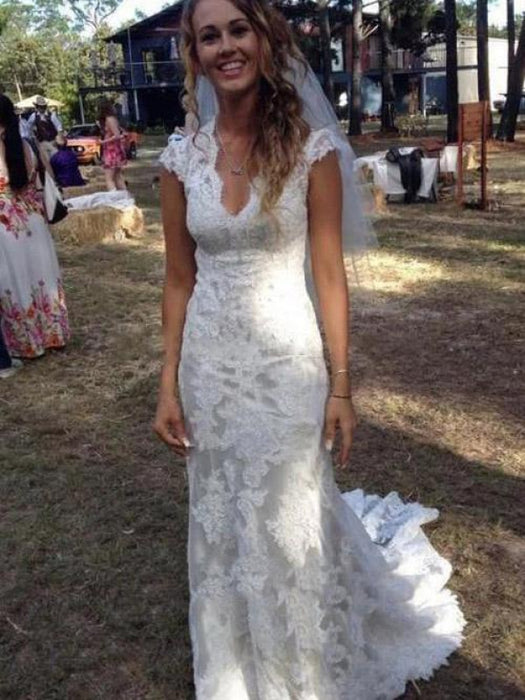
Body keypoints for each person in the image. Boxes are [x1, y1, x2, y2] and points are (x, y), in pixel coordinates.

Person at [154, 1, 465, 698]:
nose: (226, 47)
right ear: (195, 54)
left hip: (286, 365)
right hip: (210, 368)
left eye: (239, 30)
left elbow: (328, 274)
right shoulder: (179, 160)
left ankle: (303, 666)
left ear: (263, 40)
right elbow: (177, 278)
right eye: (210, 36)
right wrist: (168, 381)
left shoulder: (312, 151)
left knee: (291, 511)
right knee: (223, 509)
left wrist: (341, 385)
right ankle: (235, 663)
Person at [0, 94, 70, 359]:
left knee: (17, 281)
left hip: (8, 224)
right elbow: (46, 176)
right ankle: (53, 333)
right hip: (35, 219)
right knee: (42, 276)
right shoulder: (28, 144)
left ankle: (26, 342)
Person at [97, 101, 127, 191]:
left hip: (111, 150)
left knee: (109, 178)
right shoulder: (112, 119)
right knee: (117, 176)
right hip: (114, 149)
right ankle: (124, 195)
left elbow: (116, 135)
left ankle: (113, 196)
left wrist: (103, 142)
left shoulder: (109, 119)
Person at [27, 95, 63, 161]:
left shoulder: (51, 115)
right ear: (37, 107)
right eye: (40, 106)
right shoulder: (34, 116)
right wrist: (34, 137)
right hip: (41, 143)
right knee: (45, 161)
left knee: (55, 159)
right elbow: (28, 127)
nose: (42, 108)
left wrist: (57, 139)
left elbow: (59, 128)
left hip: (52, 142)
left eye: (43, 106)